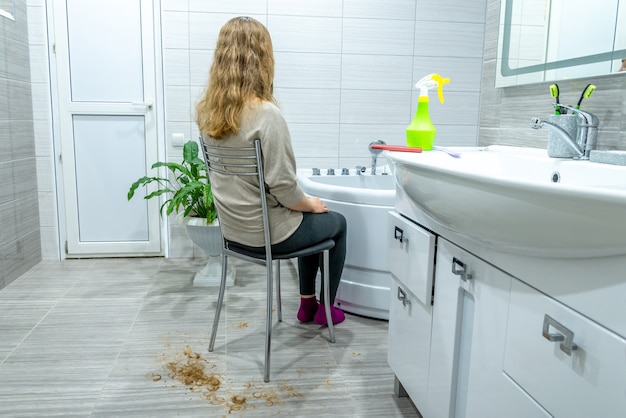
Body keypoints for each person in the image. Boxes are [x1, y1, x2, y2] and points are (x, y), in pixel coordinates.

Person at [196, 16, 346, 326]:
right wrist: (311, 203)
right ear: (262, 59)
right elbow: (285, 189)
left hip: (234, 233)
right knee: (335, 222)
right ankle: (324, 310)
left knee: (309, 214)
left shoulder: (208, 114)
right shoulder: (266, 115)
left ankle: (307, 305)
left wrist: (304, 205)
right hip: (269, 235)